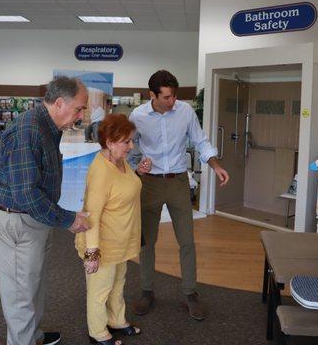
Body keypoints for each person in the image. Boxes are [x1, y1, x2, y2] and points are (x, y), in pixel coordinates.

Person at [0, 76, 91, 345]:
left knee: (33, 286)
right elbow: (27, 194)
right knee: (20, 298)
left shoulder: (46, 126)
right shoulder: (29, 129)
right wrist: (68, 220)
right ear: (60, 103)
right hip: (20, 222)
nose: (81, 114)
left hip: (33, 220)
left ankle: (34, 337)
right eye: (79, 108)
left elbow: (8, 165)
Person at [128, 70, 230, 321]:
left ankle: (190, 293)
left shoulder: (185, 112)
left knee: (187, 241)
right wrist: (135, 168)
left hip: (178, 183)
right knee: (147, 241)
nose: (172, 101)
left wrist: (215, 165)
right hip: (149, 185)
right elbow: (129, 148)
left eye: (174, 96)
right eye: (166, 97)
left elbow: (200, 140)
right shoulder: (137, 116)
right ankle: (147, 291)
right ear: (152, 95)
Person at [75, 113, 151, 345]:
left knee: (118, 284)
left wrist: (139, 173)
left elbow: (123, 191)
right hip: (102, 244)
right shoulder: (100, 172)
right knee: (100, 291)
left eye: (132, 140)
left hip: (121, 241)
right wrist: (92, 253)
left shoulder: (120, 162)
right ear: (109, 143)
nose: (131, 146)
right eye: (126, 141)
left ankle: (116, 320)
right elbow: (91, 217)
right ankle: (97, 333)